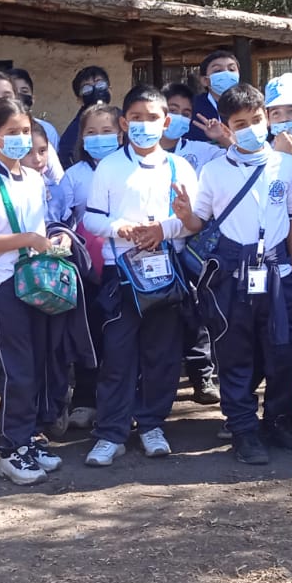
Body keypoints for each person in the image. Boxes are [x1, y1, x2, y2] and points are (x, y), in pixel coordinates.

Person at [175, 82, 292, 465]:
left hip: (279, 269)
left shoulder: (285, 163)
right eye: (240, 122)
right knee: (235, 352)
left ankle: (280, 423)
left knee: (283, 351)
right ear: (227, 128)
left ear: (266, 118)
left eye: (256, 119)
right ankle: (244, 430)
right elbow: (200, 221)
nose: (250, 128)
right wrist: (185, 216)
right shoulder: (215, 171)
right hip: (231, 272)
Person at [81, 86, 197, 466]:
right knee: (118, 354)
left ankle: (151, 425)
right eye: (136, 118)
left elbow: (194, 222)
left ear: (166, 122)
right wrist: (122, 228)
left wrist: (164, 228)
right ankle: (111, 433)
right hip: (122, 275)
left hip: (167, 274)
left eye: (152, 118)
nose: (144, 125)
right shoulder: (111, 166)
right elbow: (92, 218)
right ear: (123, 122)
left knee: (161, 354)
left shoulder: (181, 167)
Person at [0, 96, 76, 484]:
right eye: (12, 132)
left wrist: (50, 241)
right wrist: (27, 238)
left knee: (36, 366)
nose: (20, 139)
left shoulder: (32, 177)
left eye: (25, 131)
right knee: (17, 370)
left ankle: (27, 439)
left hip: (34, 282)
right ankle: (10, 450)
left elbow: (41, 231)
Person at [47, 102, 122, 431]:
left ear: (121, 133)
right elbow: (61, 221)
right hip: (87, 270)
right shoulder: (74, 176)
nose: (99, 138)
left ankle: (119, 402)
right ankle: (85, 399)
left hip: (124, 266)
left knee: (120, 338)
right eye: (92, 132)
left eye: (107, 131)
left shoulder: (129, 169)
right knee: (89, 335)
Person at [159, 82, 221, 406]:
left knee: (195, 318)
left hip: (188, 251)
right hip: (147, 252)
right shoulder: (133, 156)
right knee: (162, 328)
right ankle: (159, 397)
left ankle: (202, 377)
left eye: (186, 113)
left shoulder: (199, 151)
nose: (179, 118)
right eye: (172, 110)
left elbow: (237, 153)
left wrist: (222, 137)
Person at [57, 65, 113, 160]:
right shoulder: (72, 133)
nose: (95, 91)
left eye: (100, 85)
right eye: (87, 89)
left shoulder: (122, 120)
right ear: (79, 100)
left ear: (110, 90)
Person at [187, 50, 242, 143]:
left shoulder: (248, 106)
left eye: (232, 69)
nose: (226, 74)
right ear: (205, 80)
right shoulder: (192, 107)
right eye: (218, 71)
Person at [7, 68, 60, 149]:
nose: (18, 97)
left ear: (33, 99)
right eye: (13, 92)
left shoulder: (47, 130)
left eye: (24, 91)